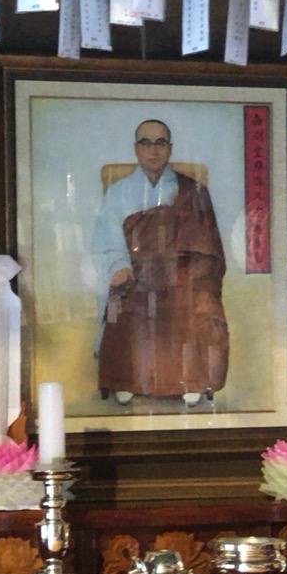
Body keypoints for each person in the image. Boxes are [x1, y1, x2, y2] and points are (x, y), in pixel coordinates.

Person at [91, 119, 230, 405]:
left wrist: (193, 271)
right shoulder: (118, 192)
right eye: (145, 143)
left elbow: (207, 242)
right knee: (127, 298)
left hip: (181, 272)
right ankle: (127, 379)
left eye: (160, 143)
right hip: (135, 272)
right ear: (136, 149)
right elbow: (107, 239)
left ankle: (192, 378)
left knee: (199, 299)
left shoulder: (192, 190)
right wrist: (119, 266)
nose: (152, 150)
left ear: (170, 148)